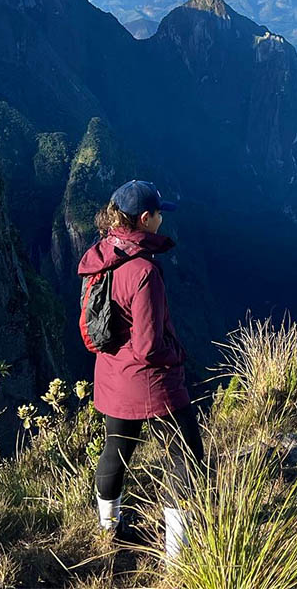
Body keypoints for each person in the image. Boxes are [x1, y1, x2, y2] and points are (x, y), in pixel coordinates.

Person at [77, 179, 203, 563]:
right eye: (159, 213)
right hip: (152, 383)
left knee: (116, 448)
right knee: (186, 457)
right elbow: (149, 345)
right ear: (146, 219)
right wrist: (177, 356)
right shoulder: (143, 271)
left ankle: (108, 530)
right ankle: (177, 555)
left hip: (112, 377)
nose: (163, 218)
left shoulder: (100, 256)